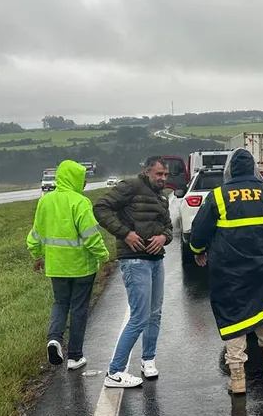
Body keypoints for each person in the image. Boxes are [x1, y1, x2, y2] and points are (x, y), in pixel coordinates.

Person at [189, 148, 263, 395]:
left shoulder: (218, 196)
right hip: (261, 268)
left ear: (230, 170)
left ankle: (237, 377)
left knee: (233, 317)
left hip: (228, 271)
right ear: (253, 169)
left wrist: (198, 251)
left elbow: (198, 234)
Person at [93, 156, 173, 388]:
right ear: (147, 171)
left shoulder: (162, 197)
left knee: (155, 314)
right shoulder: (130, 187)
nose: (163, 178)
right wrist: (125, 233)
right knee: (139, 316)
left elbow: (168, 227)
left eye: (166, 175)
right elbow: (101, 207)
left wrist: (163, 237)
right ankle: (115, 372)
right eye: (159, 174)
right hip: (135, 260)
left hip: (156, 259)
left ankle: (148, 360)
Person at [26, 159, 110, 371]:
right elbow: (91, 236)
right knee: (79, 308)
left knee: (60, 303)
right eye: (82, 179)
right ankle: (75, 356)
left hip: (56, 266)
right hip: (82, 267)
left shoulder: (45, 202)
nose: (83, 183)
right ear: (75, 178)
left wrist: (37, 256)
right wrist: (104, 257)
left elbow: (35, 234)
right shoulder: (80, 202)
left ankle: (54, 339)